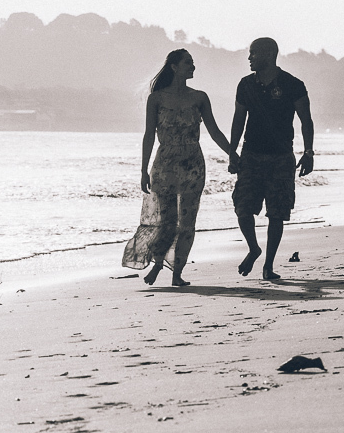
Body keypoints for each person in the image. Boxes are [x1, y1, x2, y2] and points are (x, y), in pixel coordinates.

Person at [122, 49, 235, 286]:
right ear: (174, 67)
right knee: (167, 221)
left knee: (188, 222)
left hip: (193, 164)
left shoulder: (200, 97)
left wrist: (233, 154)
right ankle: (158, 263)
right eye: (188, 63)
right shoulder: (156, 98)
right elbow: (149, 135)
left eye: (193, 63)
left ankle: (177, 274)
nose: (193, 67)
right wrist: (143, 170)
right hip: (165, 165)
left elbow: (214, 131)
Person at [229, 37, 314, 280]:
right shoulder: (245, 84)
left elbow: (306, 120)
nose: (249, 58)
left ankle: (268, 265)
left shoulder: (292, 84)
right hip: (251, 155)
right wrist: (232, 152)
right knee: (243, 207)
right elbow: (238, 120)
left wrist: (308, 152)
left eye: (253, 53)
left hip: (281, 157)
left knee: (277, 213)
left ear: (268, 54)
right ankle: (253, 248)